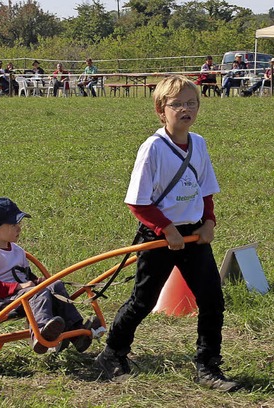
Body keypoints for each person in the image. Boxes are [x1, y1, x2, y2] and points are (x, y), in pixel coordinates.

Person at [95, 75, 238, 392]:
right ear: (161, 110)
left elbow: (206, 191)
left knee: (212, 300)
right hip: (159, 238)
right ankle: (112, 353)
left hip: (193, 237)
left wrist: (209, 222)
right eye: (177, 104)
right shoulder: (153, 149)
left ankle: (208, 366)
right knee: (142, 302)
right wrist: (166, 229)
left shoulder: (198, 143)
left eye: (192, 103)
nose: (186, 109)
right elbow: (137, 202)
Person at [0, 197, 99, 354]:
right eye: (13, 225)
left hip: (23, 295)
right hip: (2, 301)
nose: (19, 228)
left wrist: (36, 281)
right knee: (37, 292)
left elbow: (25, 274)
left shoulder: (17, 250)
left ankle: (76, 331)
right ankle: (41, 333)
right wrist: (20, 286)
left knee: (56, 285)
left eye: (19, 224)